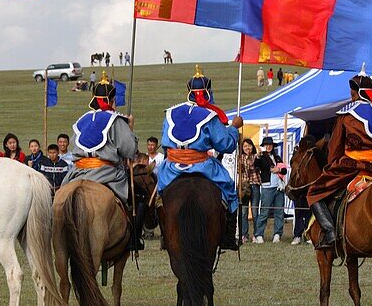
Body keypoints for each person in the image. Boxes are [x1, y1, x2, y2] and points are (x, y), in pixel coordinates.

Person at [306, 72, 372, 249]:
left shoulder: (347, 114)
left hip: (353, 166)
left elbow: (334, 148)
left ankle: (330, 232)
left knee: (314, 191)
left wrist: (332, 165)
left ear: (353, 93)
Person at [155, 66, 243, 250]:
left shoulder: (170, 113)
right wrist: (234, 128)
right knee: (230, 191)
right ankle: (228, 236)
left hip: (172, 168)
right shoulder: (210, 116)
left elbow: (165, 142)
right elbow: (225, 144)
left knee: (159, 196)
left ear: (189, 92)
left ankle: (164, 234)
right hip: (202, 165)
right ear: (208, 92)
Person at [62, 74, 141, 247]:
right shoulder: (116, 120)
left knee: (59, 199)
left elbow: (74, 147)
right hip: (107, 173)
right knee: (138, 195)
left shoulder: (82, 120)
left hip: (78, 172)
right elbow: (128, 150)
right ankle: (133, 240)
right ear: (112, 100)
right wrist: (130, 129)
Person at [254, 137, 287, 243]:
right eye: (266, 145)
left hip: (279, 187)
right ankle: (259, 234)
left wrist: (279, 169)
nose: (268, 146)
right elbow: (256, 164)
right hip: (267, 187)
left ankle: (277, 234)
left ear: (273, 146)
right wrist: (258, 156)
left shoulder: (277, 157)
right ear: (264, 146)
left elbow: (285, 170)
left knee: (279, 211)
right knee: (264, 211)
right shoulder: (261, 157)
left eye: (270, 144)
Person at [236, 138, 261, 245]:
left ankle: (256, 234)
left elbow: (252, 165)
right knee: (243, 212)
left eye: (249, 145)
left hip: (254, 185)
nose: (247, 148)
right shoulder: (239, 158)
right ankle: (244, 235)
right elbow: (239, 169)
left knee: (255, 212)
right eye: (245, 146)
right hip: (244, 187)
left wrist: (255, 156)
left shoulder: (256, 157)